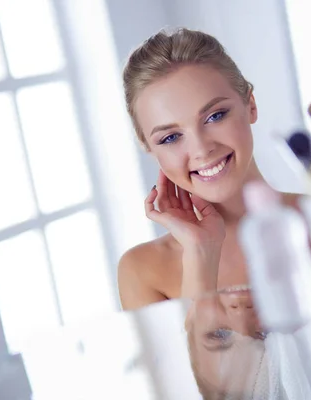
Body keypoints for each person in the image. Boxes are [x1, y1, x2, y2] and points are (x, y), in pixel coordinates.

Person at [118, 27, 300, 310]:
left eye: (215, 116)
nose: (202, 149)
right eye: (170, 137)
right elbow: (198, 357)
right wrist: (200, 252)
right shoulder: (143, 272)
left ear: (250, 105)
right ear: (149, 148)